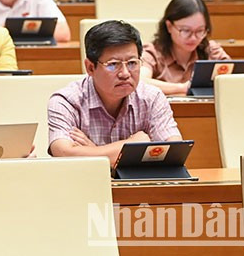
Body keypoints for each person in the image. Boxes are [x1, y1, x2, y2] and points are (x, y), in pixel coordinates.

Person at [48, 20, 182, 165]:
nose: (125, 74)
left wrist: (93, 151)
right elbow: (63, 153)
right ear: (90, 67)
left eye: (132, 63)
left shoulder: (152, 98)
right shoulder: (66, 101)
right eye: (113, 65)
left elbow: (174, 152)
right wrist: (132, 146)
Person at [141, 0, 230, 96]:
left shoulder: (211, 51)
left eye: (200, 31)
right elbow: (140, 82)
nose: (193, 38)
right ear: (169, 26)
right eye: (186, 30)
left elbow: (234, 80)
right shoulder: (152, 53)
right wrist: (182, 88)